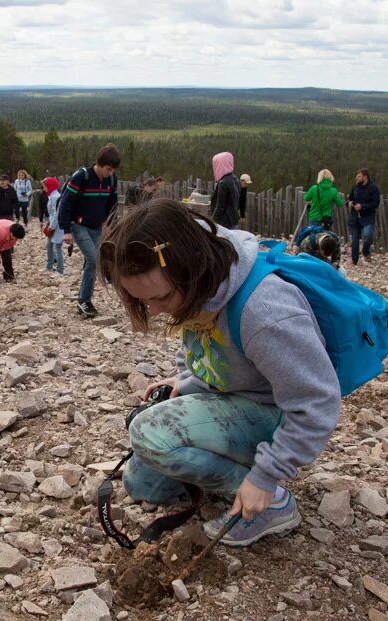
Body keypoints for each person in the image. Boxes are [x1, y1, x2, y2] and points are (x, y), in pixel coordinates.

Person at [97, 198, 340, 547]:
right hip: (236, 400)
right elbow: (210, 354)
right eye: (142, 300)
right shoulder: (201, 290)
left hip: (277, 418)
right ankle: (220, 472)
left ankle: (270, 503)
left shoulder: (266, 310)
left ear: (193, 268)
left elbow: (316, 403)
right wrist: (186, 381)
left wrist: (264, 477)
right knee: (144, 485)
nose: (153, 310)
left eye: (161, 298)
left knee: (150, 431)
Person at [59, 143, 122, 319]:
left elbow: (113, 204)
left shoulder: (111, 180)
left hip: (97, 226)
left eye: (113, 170)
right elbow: (66, 203)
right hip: (78, 224)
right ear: (99, 164)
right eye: (108, 169)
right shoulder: (81, 177)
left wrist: (110, 224)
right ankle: (85, 300)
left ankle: (84, 299)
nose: (110, 173)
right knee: (94, 260)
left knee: (92, 262)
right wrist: (66, 230)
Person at [346, 168, 380, 265]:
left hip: (368, 217)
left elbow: (376, 203)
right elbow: (349, 200)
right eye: (356, 177)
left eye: (359, 176)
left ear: (365, 177)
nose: (357, 179)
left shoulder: (373, 188)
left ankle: (366, 251)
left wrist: (362, 206)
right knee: (355, 239)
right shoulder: (355, 188)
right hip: (355, 217)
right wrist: (349, 203)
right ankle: (354, 260)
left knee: (368, 236)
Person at [209, 151, 241, 230]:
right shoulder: (235, 178)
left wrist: (212, 220)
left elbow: (220, 206)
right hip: (234, 220)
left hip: (224, 223)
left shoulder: (223, 182)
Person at [44, 176, 64, 275]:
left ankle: (60, 270)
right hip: (52, 224)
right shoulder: (52, 196)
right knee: (49, 246)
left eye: (45, 186)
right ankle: (49, 265)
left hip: (57, 226)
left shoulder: (56, 197)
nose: (44, 188)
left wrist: (52, 226)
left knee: (58, 247)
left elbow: (57, 214)